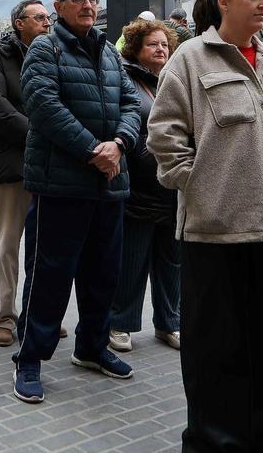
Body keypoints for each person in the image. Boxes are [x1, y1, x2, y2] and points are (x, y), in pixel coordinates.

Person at [147, 0, 263, 449]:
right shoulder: (191, 58)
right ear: (223, 1)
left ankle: (254, 439)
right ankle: (210, 442)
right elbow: (164, 134)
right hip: (213, 229)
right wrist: (196, 182)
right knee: (214, 350)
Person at [12, 0, 142, 404]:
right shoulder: (44, 48)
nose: (88, 4)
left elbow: (131, 104)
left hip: (109, 184)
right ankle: (30, 358)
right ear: (60, 7)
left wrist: (120, 144)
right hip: (61, 185)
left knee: (103, 275)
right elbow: (44, 107)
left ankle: (91, 347)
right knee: (49, 277)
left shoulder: (109, 52)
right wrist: (93, 150)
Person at [0, 0, 52, 346]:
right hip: (13, 163)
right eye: (39, 17)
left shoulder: (56, 53)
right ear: (19, 23)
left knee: (46, 246)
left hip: (53, 165)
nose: (47, 22)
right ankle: (4, 316)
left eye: (48, 17)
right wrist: (39, 134)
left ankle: (39, 315)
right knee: (7, 245)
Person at [109, 18, 181, 354]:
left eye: (165, 44)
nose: (161, 49)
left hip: (174, 188)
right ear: (136, 48)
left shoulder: (174, 79)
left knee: (171, 262)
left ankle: (171, 322)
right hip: (139, 186)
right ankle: (120, 324)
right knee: (132, 262)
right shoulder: (124, 80)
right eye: (153, 44)